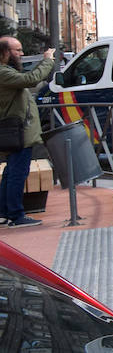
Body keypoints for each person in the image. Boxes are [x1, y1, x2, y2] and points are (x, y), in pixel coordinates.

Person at [0, 38, 57, 228]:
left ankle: (4, 213)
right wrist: (47, 60)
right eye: (18, 50)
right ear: (5, 52)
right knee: (17, 173)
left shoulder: (6, 72)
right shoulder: (3, 73)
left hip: (15, 130)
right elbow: (30, 79)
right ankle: (16, 215)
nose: (21, 54)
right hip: (17, 132)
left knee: (10, 172)